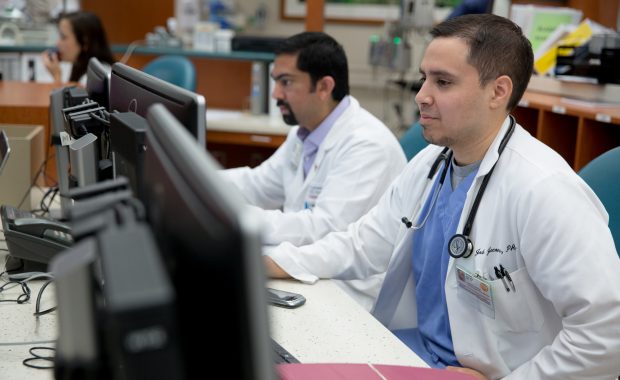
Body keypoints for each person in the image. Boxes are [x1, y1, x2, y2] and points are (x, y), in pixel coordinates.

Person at [264, 14, 620, 379]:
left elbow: (607, 332)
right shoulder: (431, 164)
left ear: (498, 91)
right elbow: (363, 244)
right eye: (424, 78)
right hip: (412, 352)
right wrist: (277, 262)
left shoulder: (543, 189)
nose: (422, 96)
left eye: (443, 82)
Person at [222, 31, 406, 308]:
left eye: (286, 82)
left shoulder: (368, 146)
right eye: (275, 82)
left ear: (324, 87)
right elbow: (257, 184)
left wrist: (241, 218)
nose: (275, 94)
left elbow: (324, 229)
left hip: (353, 295)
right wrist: (194, 178)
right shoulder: (305, 132)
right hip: (309, 273)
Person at [41, 10, 115, 84]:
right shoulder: (79, 66)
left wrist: (57, 77)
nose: (58, 43)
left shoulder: (98, 77)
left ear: (85, 42)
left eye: (63, 37)